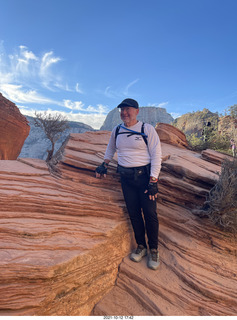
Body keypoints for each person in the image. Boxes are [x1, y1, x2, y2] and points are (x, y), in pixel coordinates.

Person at [95, 98, 162, 270]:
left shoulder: (147, 129)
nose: (124, 113)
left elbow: (156, 156)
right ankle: (141, 246)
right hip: (126, 178)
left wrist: (154, 180)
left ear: (137, 111)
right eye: (122, 110)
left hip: (145, 178)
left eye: (128, 109)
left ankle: (154, 249)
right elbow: (111, 148)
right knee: (134, 213)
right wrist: (105, 164)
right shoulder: (117, 130)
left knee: (150, 213)